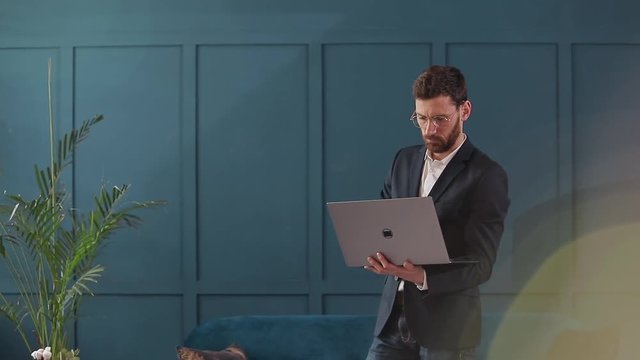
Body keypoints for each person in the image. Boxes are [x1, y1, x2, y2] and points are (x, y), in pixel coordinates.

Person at [364, 65, 510, 360]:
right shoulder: (402, 160)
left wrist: (422, 276)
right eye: (421, 118)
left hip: (448, 331)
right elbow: (380, 222)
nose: (430, 129)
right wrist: (376, 252)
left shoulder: (487, 175)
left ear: (464, 110)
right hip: (393, 322)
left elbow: (481, 265)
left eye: (440, 119)